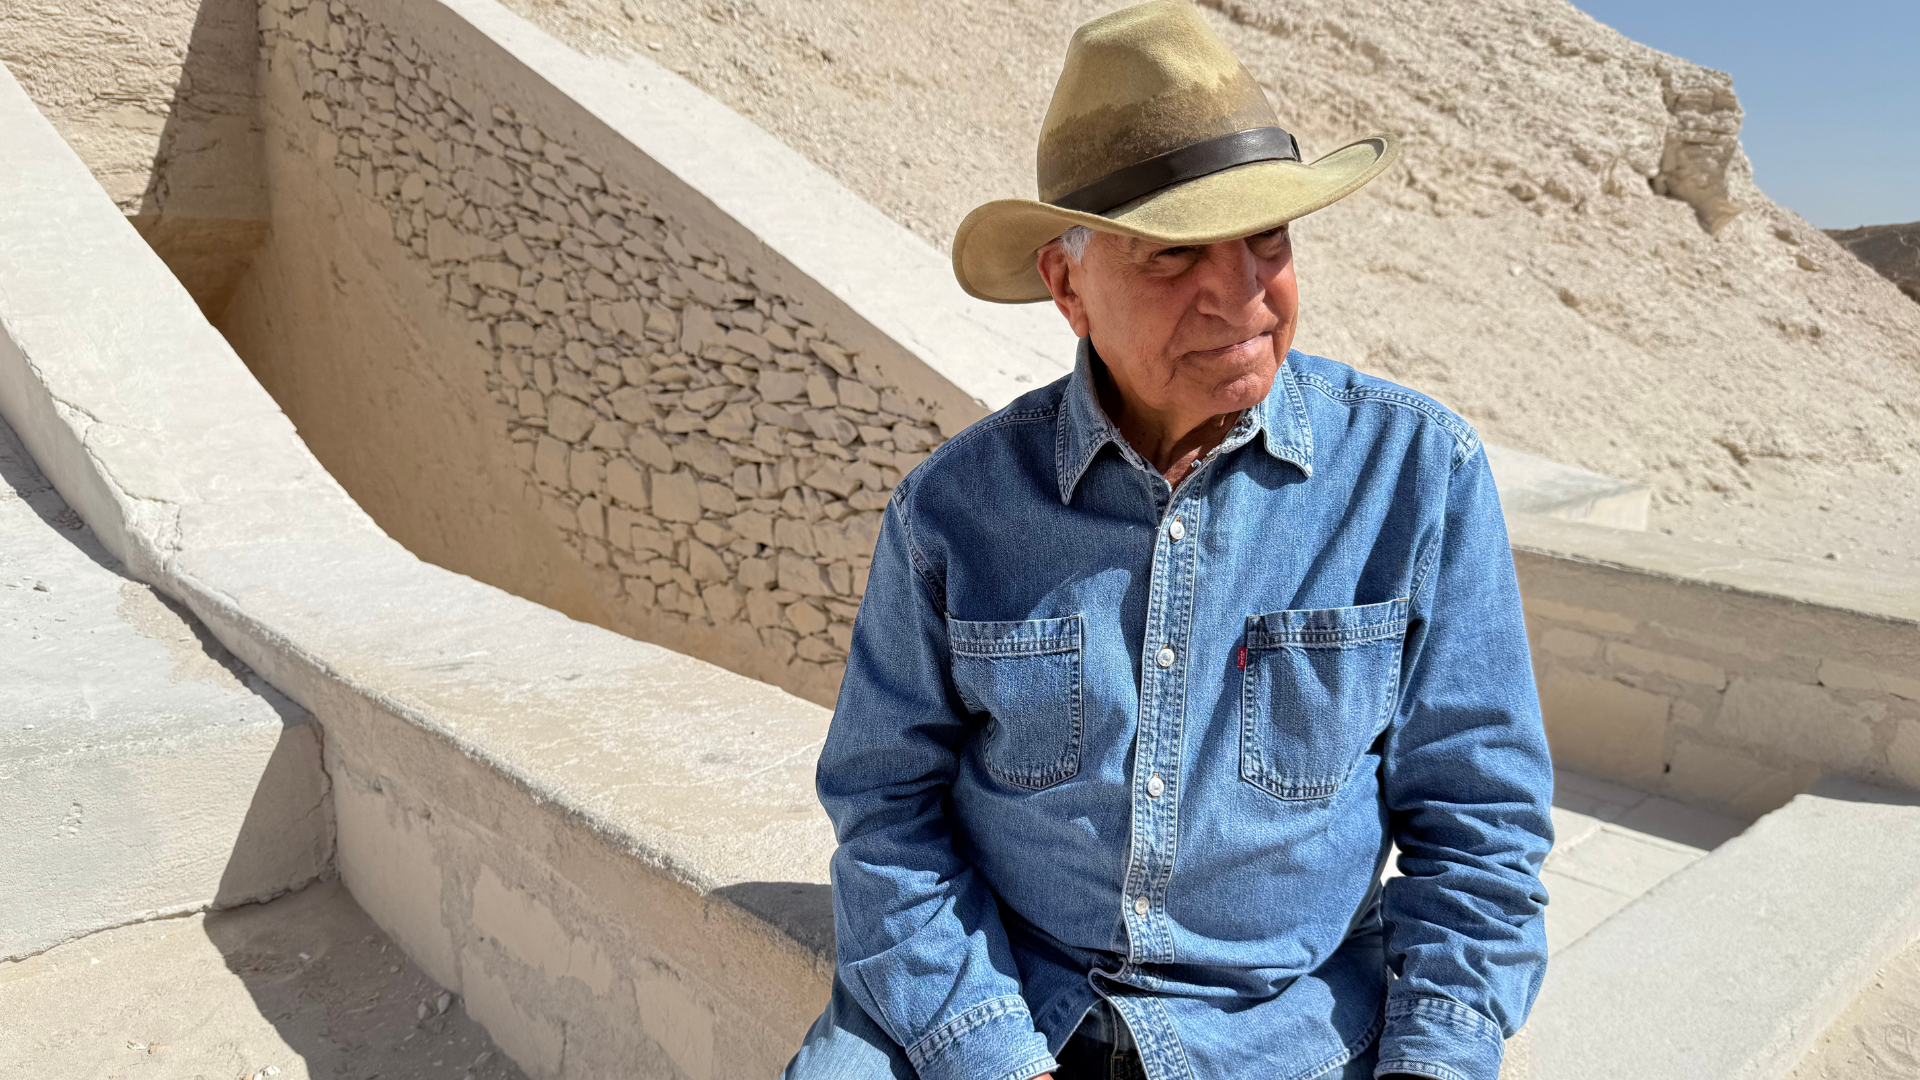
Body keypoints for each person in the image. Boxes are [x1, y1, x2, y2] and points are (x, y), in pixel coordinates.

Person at [783, 2, 1554, 1077]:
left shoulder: (1417, 478)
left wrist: (1435, 1060)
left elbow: (1480, 830)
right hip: (1005, 990)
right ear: (1068, 285)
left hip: (1285, 1029)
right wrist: (990, 1054)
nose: (1241, 297)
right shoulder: (953, 512)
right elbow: (884, 811)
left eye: (1267, 240)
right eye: (1175, 254)